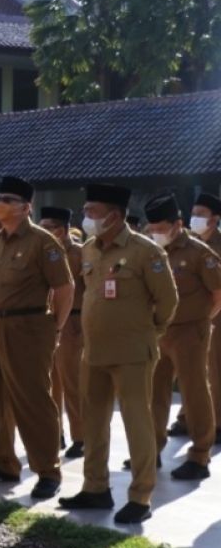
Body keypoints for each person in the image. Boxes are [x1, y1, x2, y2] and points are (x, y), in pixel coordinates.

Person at [59, 184, 178, 524]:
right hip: (94, 351)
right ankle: (95, 488)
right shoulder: (90, 250)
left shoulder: (145, 252)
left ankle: (141, 496)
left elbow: (167, 302)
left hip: (132, 353)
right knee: (93, 422)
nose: (87, 218)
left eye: (93, 212)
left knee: (136, 422)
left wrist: (149, 334)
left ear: (114, 216)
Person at [0, 176, 73, 501]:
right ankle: (4, 462)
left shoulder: (43, 243)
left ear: (26, 207)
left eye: (8, 199)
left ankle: (47, 470)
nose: (0, 203)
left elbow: (64, 289)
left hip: (26, 328)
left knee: (33, 400)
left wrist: (54, 328)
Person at [144, 193, 221, 480]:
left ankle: (200, 455)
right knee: (155, 391)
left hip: (191, 331)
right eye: (152, 229)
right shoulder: (149, 250)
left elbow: (218, 294)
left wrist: (201, 322)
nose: (155, 234)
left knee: (195, 391)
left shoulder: (199, 253)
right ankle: (151, 449)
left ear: (177, 225)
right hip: (159, 330)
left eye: (161, 228)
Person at [38, 207, 87, 458]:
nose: (44, 231)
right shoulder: (43, 251)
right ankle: (55, 433)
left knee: (72, 382)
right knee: (50, 383)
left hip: (73, 323)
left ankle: (81, 436)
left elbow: (90, 290)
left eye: (49, 227)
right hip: (47, 322)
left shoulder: (79, 253)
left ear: (62, 230)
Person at [178, 192, 221, 440]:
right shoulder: (189, 245)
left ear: (214, 219)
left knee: (213, 369)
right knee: (190, 370)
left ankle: (215, 422)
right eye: (193, 214)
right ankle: (186, 417)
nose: (194, 219)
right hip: (189, 317)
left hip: (216, 314)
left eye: (200, 215)